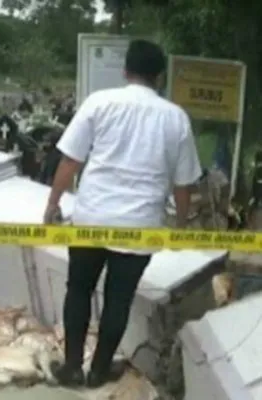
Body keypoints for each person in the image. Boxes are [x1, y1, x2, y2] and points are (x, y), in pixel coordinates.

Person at [43, 40, 202, 388]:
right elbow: (183, 185)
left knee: (79, 288)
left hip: (91, 218)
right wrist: (178, 227)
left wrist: (53, 203)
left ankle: (72, 367)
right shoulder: (176, 118)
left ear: (125, 70)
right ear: (159, 77)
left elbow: (71, 160)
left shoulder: (99, 103)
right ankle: (99, 370)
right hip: (140, 227)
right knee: (119, 299)